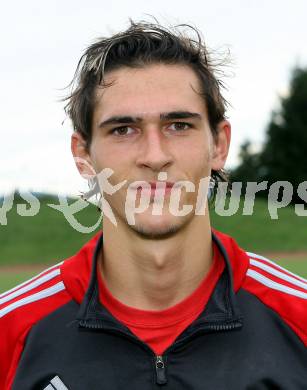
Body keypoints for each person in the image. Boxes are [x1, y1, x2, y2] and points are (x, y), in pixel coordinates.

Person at [0, 20, 306, 390]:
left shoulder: (299, 318)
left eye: (178, 125)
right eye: (123, 130)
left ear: (219, 146)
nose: (155, 156)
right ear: (83, 156)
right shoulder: (10, 331)